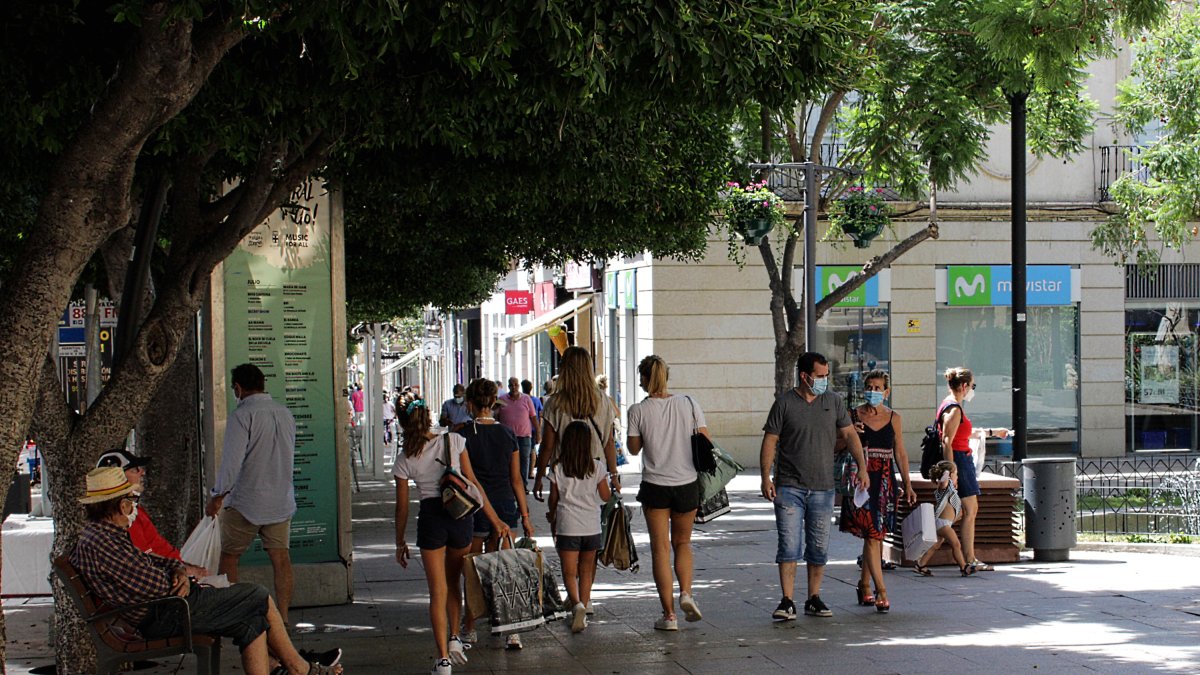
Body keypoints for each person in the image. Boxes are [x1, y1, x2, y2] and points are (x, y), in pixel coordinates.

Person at [71, 467, 341, 675]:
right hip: (165, 612)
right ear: (121, 505)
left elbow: (152, 562)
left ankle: (294, 668)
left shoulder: (105, 535)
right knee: (256, 596)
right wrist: (182, 579)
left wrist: (177, 569)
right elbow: (152, 584)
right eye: (131, 499)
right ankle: (300, 669)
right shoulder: (104, 543)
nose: (133, 506)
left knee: (251, 621)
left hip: (165, 606)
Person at [394, 399, 511, 675]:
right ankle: (456, 638)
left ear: (404, 424)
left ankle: (443, 659)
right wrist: (495, 520)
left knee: (437, 591)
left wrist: (399, 541)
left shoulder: (404, 458)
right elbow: (473, 483)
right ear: (428, 417)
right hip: (460, 515)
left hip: (431, 518)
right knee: (454, 581)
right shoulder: (455, 441)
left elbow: (401, 507)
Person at [759, 352, 869, 621]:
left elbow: (850, 435)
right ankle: (787, 600)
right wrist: (765, 477)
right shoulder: (784, 404)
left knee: (818, 547)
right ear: (804, 376)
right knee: (789, 545)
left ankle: (814, 597)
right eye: (819, 376)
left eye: (826, 375)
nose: (824, 380)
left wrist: (862, 467)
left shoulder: (833, 401)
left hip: (823, 487)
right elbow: (770, 441)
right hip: (789, 487)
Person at [206, 363, 297, 625]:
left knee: (230, 556)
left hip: (247, 500)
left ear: (238, 387)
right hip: (281, 499)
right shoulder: (284, 413)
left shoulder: (242, 415)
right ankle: (283, 616)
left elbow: (231, 463)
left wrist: (217, 496)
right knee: (281, 558)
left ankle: (235, 614)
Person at [625, 355, 707, 631]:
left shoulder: (638, 410)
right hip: (687, 483)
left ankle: (669, 616)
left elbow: (634, 449)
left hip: (655, 486)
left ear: (644, 379)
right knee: (682, 543)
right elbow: (705, 440)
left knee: (660, 549)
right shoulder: (689, 404)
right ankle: (686, 592)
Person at [459, 378, 535, 649]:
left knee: (472, 568)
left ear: (469, 403)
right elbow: (517, 479)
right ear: (493, 403)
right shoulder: (507, 434)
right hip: (505, 506)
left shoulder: (462, 435)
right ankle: (511, 630)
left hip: (475, 507)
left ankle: (469, 627)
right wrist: (525, 516)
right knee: (505, 567)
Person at [837, 370, 916, 614]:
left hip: (884, 479)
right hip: (861, 478)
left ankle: (864, 584)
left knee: (876, 534)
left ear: (886, 391)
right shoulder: (852, 415)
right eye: (869, 387)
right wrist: (853, 436)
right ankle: (881, 590)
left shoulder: (894, 418)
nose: (873, 391)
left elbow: (900, 452)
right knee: (872, 534)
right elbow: (837, 446)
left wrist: (908, 483)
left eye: (878, 387)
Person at [938, 367, 1009, 574]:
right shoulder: (954, 409)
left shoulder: (951, 405)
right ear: (963, 386)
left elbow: (960, 435)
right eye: (972, 386)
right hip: (960, 461)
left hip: (960, 460)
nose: (972, 390)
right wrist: (951, 470)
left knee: (961, 512)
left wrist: (993, 432)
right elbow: (947, 441)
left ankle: (958, 557)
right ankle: (969, 558)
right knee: (970, 510)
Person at [549, 421, 611, 634]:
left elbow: (553, 499)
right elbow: (605, 496)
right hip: (591, 526)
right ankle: (583, 605)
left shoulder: (558, 467)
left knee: (569, 572)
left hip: (567, 526)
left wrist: (551, 515)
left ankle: (576, 605)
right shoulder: (597, 467)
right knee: (586, 570)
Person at [96, 449, 204, 572]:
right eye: (134, 469)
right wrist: (186, 571)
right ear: (118, 478)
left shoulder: (133, 510)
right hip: (171, 578)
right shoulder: (123, 518)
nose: (142, 472)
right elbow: (145, 559)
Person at [534, 347, 618, 501]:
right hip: (595, 470)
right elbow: (609, 442)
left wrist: (539, 477)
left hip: (563, 472)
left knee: (561, 518)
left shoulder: (554, 403)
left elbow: (547, 446)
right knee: (594, 518)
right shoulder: (603, 401)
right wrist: (613, 475)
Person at [913, 460, 975, 577]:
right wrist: (947, 472)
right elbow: (943, 481)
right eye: (956, 474)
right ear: (949, 475)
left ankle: (921, 564)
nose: (957, 476)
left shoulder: (951, 490)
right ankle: (963, 567)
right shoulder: (944, 488)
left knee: (935, 545)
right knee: (956, 544)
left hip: (943, 523)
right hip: (943, 524)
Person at [497, 377, 540, 493]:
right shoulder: (501, 400)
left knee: (524, 461)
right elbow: (495, 416)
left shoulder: (526, 399)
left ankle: (523, 486)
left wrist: (538, 432)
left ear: (519, 386)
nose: (514, 387)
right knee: (508, 461)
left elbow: (533, 417)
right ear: (508, 386)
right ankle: (510, 485)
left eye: (515, 384)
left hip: (524, 436)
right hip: (507, 437)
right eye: (511, 385)